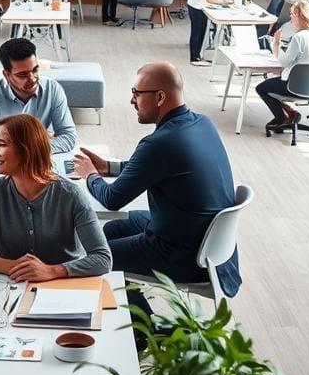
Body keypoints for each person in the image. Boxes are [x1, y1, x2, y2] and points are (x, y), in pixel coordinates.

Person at [73, 62, 240, 323]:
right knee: (109, 231)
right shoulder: (201, 124)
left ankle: (143, 330)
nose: (131, 100)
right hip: (206, 241)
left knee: (97, 257)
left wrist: (90, 175)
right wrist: (109, 167)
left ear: (160, 97)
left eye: (137, 93)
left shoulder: (157, 144)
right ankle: (134, 314)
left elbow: (112, 199)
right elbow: (154, 165)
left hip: (182, 253)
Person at [0, 114, 111, 280]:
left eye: (1, 144)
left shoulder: (71, 195)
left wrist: (52, 271)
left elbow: (102, 259)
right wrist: (17, 268)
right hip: (13, 284)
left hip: (64, 286)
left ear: (26, 150)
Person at [0, 38, 77, 160]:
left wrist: (9, 146)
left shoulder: (52, 88)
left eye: (35, 70)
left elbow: (68, 137)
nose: (32, 79)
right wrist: (39, 143)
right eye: (23, 75)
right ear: (7, 75)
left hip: (42, 164)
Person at [255, 0, 309, 131]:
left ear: (300, 16)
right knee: (274, 80)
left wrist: (276, 43)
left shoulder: (298, 38)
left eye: (292, 14)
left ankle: (281, 118)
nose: (290, 17)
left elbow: (283, 62)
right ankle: (291, 113)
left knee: (262, 88)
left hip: (296, 86)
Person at [186, 0, 233, 66]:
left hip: (199, 6)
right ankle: (194, 58)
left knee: (201, 32)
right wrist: (224, 1)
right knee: (197, 32)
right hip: (196, 7)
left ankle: (198, 56)